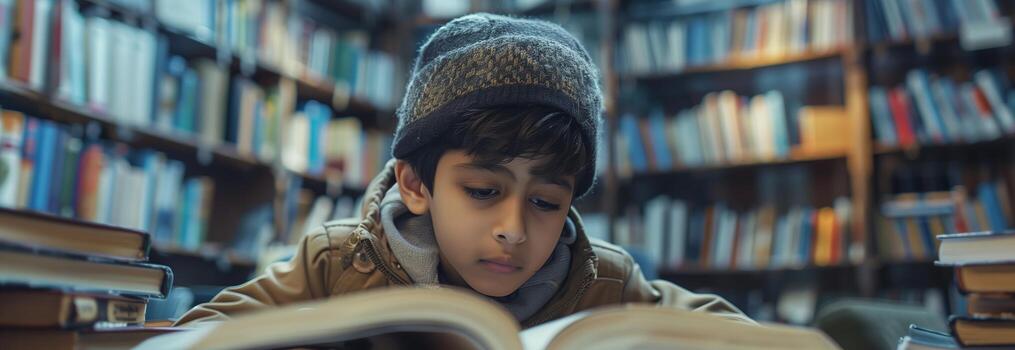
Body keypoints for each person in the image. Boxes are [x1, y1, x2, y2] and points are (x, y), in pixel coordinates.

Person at [175, 13, 753, 328]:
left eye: (547, 202)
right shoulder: (335, 263)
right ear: (415, 184)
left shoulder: (604, 281)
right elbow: (192, 338)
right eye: (482, 190)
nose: (514, 229)